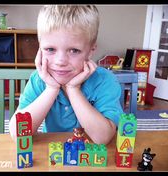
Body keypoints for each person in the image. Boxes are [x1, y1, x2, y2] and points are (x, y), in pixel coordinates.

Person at [9, 5, 123, 144]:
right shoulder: (39, 81)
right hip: (53, 157)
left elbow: (102, 138)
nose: (60, 61)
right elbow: (17, 134)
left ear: (91, 50)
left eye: (74, 50)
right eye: (50, 49)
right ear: (40, 49)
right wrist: (51, 89)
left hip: (91, 157)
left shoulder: (105, 80)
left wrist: (73, 89)